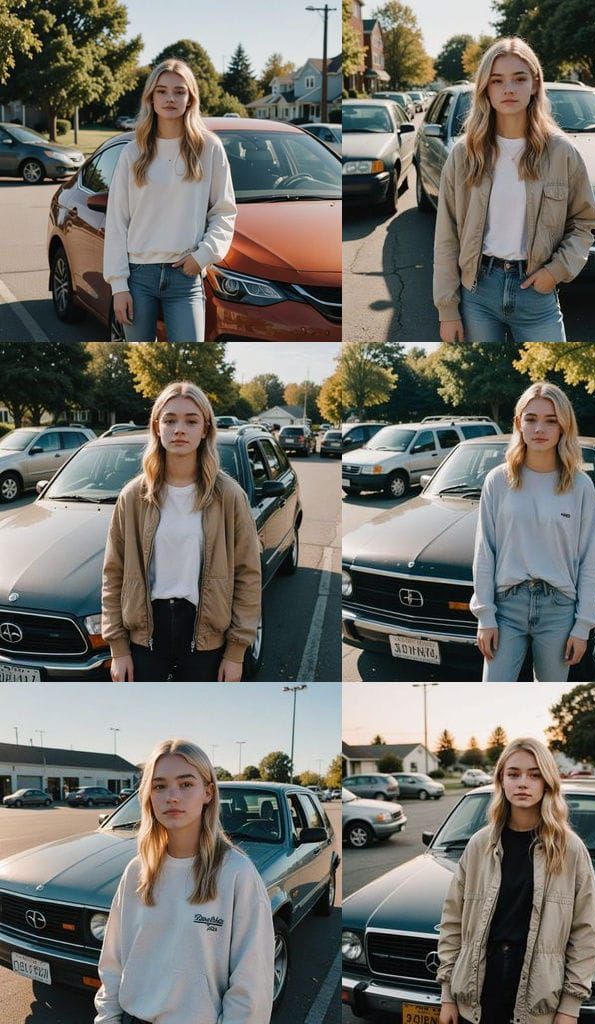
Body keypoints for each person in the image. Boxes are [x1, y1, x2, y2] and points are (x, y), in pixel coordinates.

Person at [94, 738, 274, 1024]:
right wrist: (107, 1019)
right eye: (159, 786)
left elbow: (251, 987)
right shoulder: (137, 872)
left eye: (186, 784)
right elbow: (114, 964)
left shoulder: (237, 874)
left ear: (208, 792)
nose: (172, 796)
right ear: (149, 796)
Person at [433, 37, 595, 343]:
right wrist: (448, 311)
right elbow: (447, 235)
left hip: (536, 294)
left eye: (519, 78)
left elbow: (584, 222)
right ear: (485, 87)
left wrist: (556, 271)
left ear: (535, 84)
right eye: (497, 81)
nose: (508, 89)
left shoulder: (562, 152)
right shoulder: (464, 154)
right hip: (478, 292)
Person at [101, 381, 261, 682]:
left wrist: (236, 652)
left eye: (191, 421)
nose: (179, 429)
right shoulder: (133, 496)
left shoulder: (229, 496)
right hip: (145, 635)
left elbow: (248, 575)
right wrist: (118, 648)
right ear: (156, 427)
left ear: (205, 430)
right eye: (170, 419)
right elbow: (113, 574)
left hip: (205, 636)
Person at [436, 737, 595, 1024]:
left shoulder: (570, 849)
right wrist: (448, 995)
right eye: (514, 774)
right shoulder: (479, 845)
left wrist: (569, 1008)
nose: (523, 782)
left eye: (534, 775)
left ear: (547, 782)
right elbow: (452, 922)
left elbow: (585, 934)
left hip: (536, 998)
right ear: (501, 779)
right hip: (476, 994)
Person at [472, 381, 595, 681]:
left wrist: (583, 626)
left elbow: (590, 560)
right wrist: (485, 616)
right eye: (531, 419)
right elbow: (484, 552)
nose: (539, 428)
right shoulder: (498, 481)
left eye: (550, 420)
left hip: (559, 610)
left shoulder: (580, 486)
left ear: (563, 427)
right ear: (519, 423)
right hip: (506, 608)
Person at [104, 58, 236, 341]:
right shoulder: (132, 152)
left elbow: (224, 212)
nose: (170, 98)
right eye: (162, 91)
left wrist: (202, 257)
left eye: (179, 91)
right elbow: (117, 222)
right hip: (138, 277)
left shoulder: (209, 148)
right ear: (150, 97)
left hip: (185, 278)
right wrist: (118, 286)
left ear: (190, 99)